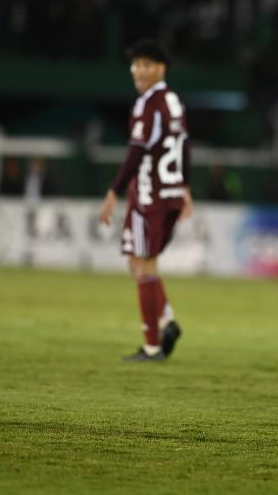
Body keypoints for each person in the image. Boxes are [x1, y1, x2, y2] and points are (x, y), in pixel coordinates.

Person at [99, 39, 193, 362]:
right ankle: (166, 319)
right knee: (137, 261)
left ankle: (152, 345)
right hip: (170, 194)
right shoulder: (174, 101)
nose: (139, 70)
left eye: (147, 65)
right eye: (136, 64)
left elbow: (137, 151)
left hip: (149, 194)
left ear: (161, 68)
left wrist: (114, 189)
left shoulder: (147, 104)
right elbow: (185, 145)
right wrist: (186, 187)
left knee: (143, 265)